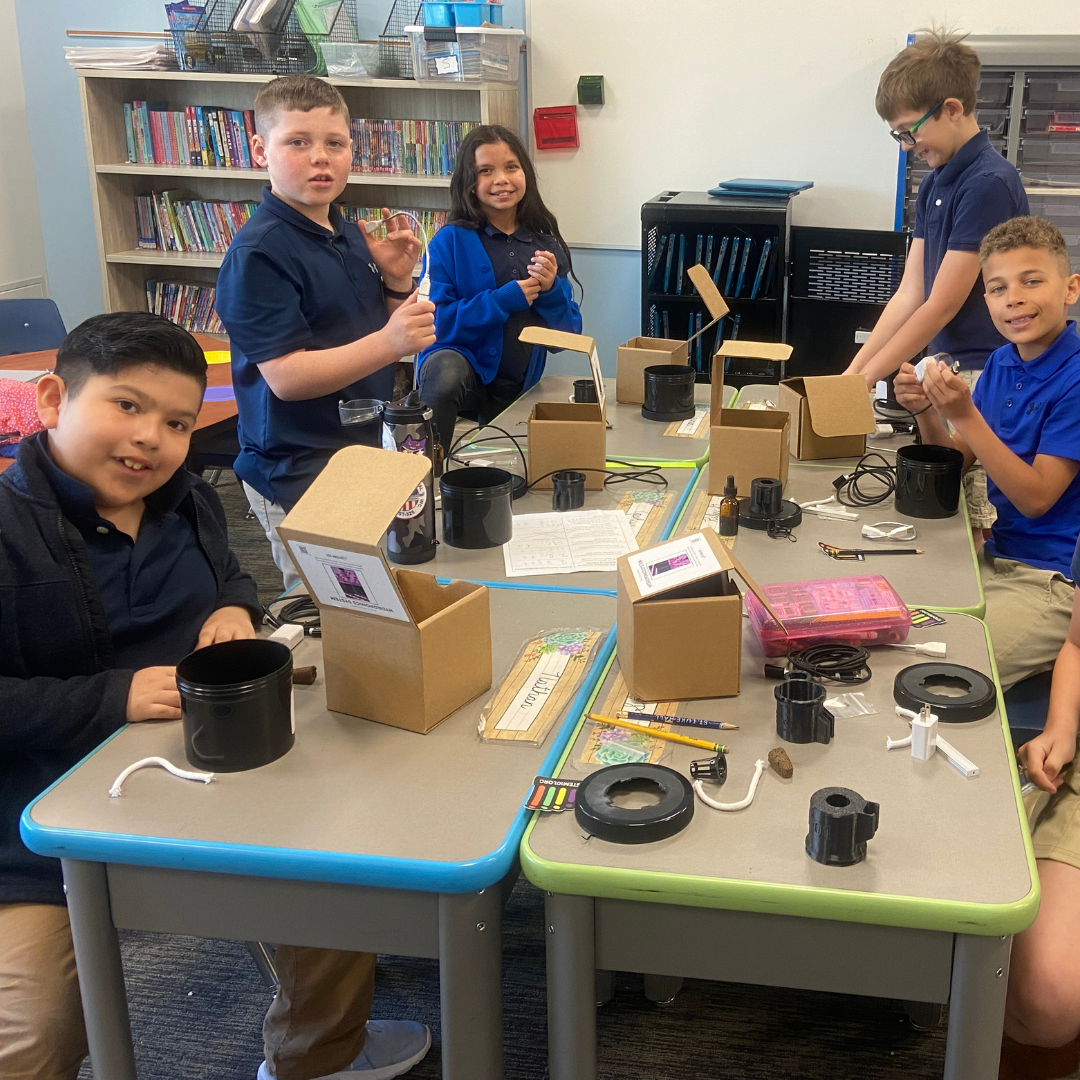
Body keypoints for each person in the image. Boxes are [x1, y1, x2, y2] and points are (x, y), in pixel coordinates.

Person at [0, 312, 261, 1080]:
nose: (151, 437)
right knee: (33, 1028)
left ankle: (313, 1053)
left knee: (352, 884)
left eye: (176, 422)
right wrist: (111, 697)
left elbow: (234, 577)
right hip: (39, 826)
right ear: (52, 401)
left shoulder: (192, 505)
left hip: (207, 776)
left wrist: (234, 606)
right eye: (126, 406)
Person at [216, 75, 436, 591]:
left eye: (334, 144)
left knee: (375, 597)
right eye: (298, 142)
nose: (320, 158)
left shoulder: (346, 232)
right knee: (326, 610)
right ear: (258, 151)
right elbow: (288, 378)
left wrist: (396, 283)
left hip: (354, 453)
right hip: (296, 466)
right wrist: (390, 341)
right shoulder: (259, 253)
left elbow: (366, 339)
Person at [844, 29, 1028, 541]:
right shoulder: (937, 181)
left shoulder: (987, 183)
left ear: (951, 108)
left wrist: (862, 383)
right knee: (941, 507)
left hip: (985, 371)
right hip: (950, 366)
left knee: (969, 518)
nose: (908, 144)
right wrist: (850, 375)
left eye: (909, 131)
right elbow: (912, 292)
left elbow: (944, 304)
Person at [894, 216, 1080, 694]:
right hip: (995, 558)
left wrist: (967, 415)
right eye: (998, 288)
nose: (1013, 297)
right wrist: (929, 412)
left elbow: (1036, 498)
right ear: (987, 303)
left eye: (1031, 281)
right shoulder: (1002, 363)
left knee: (941, 669)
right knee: (896, 625)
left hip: (1053, 581)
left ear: (1070, 289)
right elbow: (956, 464)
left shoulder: (1076, 379)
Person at [416, 124, 582, 458]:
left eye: (511, 167)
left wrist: (551, 292)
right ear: (469, 183)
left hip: (519, 385)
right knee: (446, 370)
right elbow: (434, 325)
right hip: (462, 379)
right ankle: (422, 476)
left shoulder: (545, 243)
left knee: (507, 474)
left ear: (526, 174)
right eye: (485, 171)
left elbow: (569, 336)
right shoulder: (447, 242)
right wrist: (500, 301)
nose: (501, 179)